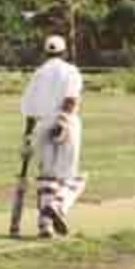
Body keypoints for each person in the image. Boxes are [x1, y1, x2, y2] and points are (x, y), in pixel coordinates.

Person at [19, 35, 86, 239]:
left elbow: (29, 111)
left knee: (47, 176)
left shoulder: (38, 74)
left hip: (41, 125)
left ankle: (45, 225)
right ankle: (57, 206)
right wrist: (63, 123)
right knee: (73, 178)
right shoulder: (70, 70)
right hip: (65, 124)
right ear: (65, 52)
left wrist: (28, 138)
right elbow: (71, 99)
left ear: (45, 52)